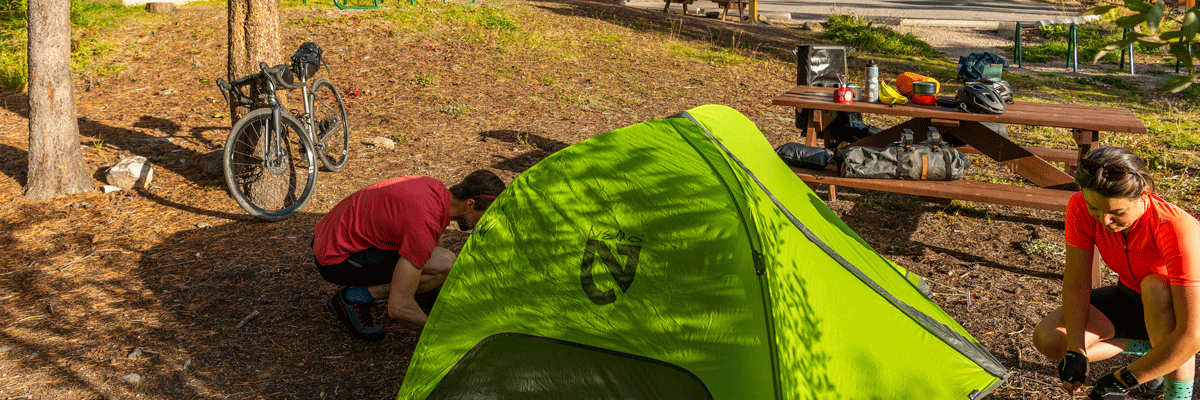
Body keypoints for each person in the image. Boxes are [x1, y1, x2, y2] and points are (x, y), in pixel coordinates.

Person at [1032, 147, 1200, 400]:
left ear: (1143, 194)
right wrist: (1075, 350)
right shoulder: (1079, 206)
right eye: (1095, 209)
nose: (1104, 221)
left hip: (1177, 310)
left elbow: (1191, 336)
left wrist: (1125, 379)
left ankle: (1170, 385)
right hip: (1130, 296)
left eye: (1117, 213)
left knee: (1155, 285)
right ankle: (1145, 351)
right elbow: (1077, 282)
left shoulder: (1174, 226)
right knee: (1050, 339)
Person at [313, 170, 505, 341]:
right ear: (470, 205)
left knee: (441, 262)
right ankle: (354, 297)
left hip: (331, 239)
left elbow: (432, 243)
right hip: (336, 260)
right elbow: (398, 308)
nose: (483, 224)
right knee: (443, 264)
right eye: (486, 215)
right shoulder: (424, 222)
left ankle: (424, 297)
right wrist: (448, 334)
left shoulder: (435, 189)